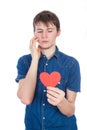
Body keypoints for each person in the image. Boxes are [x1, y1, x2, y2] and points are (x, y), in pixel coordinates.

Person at [15, 10, 81, 130]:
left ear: (58, 32)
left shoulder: (71, 64)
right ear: (34, 33)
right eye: (39, 31)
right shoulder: (24, 61)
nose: (44, 36)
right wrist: (35, 59)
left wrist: (61, 102)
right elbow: (25, 98)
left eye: (49, 31)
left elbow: (70, 110)